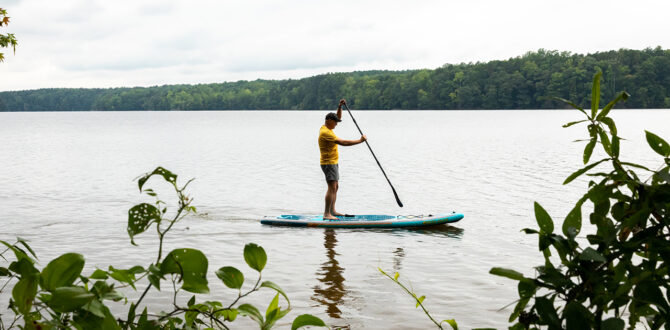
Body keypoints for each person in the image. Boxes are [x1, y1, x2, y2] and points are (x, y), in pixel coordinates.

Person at [319, 99, 366, 220]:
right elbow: (343, 142)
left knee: (335, 186)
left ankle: (332, 211)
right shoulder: (326, 133)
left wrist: (340, 107)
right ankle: (326, 214)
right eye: (335, 122)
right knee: (331, 187)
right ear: (329, 121)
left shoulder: (327, 128)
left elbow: (338, 117)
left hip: (333, 162)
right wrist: (359, 141)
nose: (337, 124)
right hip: (328, 163)